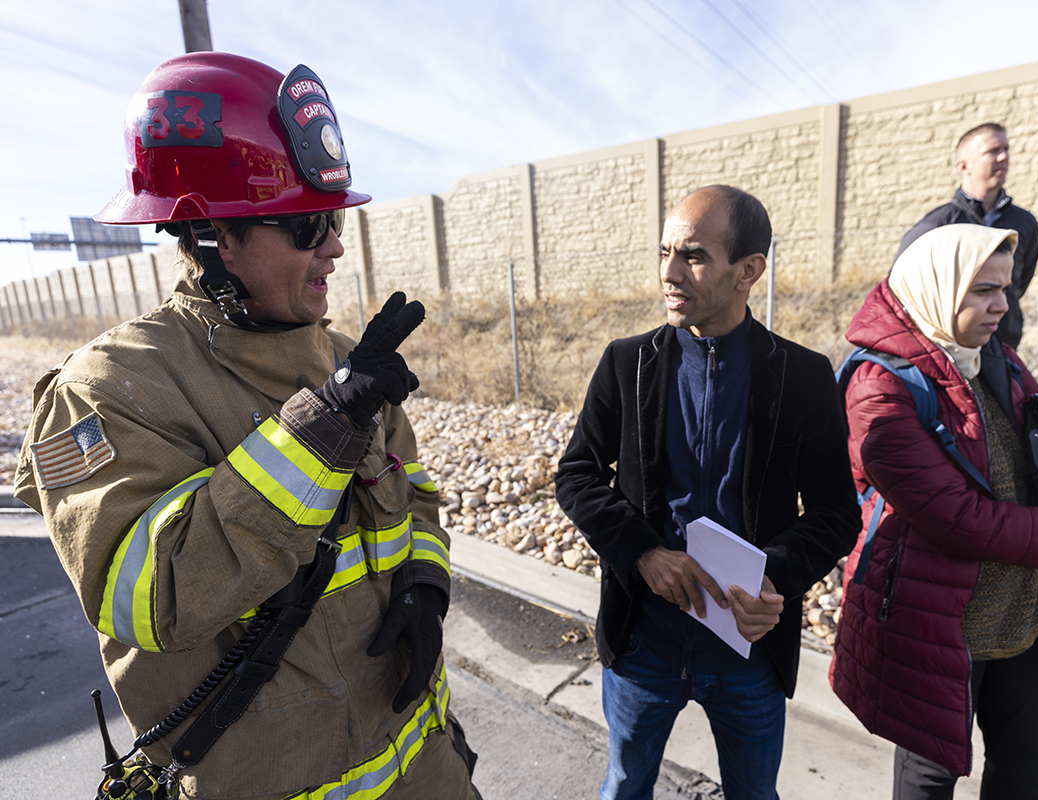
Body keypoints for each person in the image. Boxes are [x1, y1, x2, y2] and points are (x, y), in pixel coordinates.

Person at [15, 53, 479, 800]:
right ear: (212, 237)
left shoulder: (342, 361)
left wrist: (425, 582)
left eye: (332, 218)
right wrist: (321, 427)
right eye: (306, 223)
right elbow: (150, 597)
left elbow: (414, 492)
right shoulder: (109, 391)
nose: (333, 243)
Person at [829, 223, 1038, 799]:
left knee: (1036, 777)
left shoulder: (998, 360)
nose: (1002, 305)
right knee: (928, 783)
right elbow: (961, 521)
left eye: (1005, 289)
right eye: (983, 290)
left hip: (1024, 618)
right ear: (938, 287)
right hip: (934, 626)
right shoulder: (878, 387)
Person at [555, 185, 861, 800]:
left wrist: (772, 579)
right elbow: (577, 474)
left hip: (748, 651)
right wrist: (643, 553)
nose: (669, 273)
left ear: (749, 271)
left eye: (692, 256)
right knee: (624, 786)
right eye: (664, 252)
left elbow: (835, 513)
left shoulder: (801, 376)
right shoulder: (627, 363)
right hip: (645, 641)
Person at [895, 123, 1038, 349]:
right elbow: (902, 290)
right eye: (993, 151)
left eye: (1006, 149)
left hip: (1004, 347)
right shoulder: (936, 225)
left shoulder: (1025, 223)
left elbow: (1018, 283)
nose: (1004, 157)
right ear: (964, 166)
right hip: (948, 350)